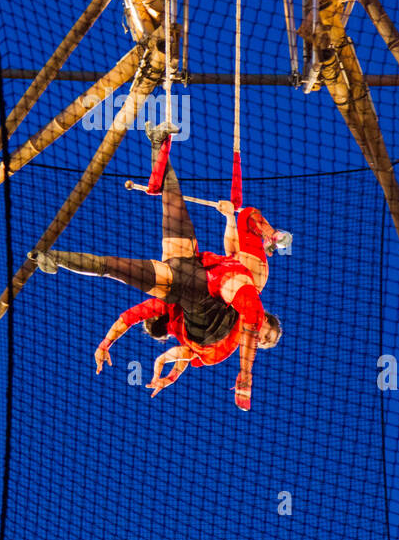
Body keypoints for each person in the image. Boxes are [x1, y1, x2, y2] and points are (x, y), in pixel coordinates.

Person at [31, 124, 288, 410]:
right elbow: (232, 252)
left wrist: (145, 361)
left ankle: (54, 258)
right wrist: (235, 220)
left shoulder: (201, 331)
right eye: (266, 334)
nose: (261, 336)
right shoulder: (242, 288)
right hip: (198, 276)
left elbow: (151, 332)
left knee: (125, 259)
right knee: (169, 205)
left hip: (197, 292)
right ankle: (158, 143)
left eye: (262, 341)